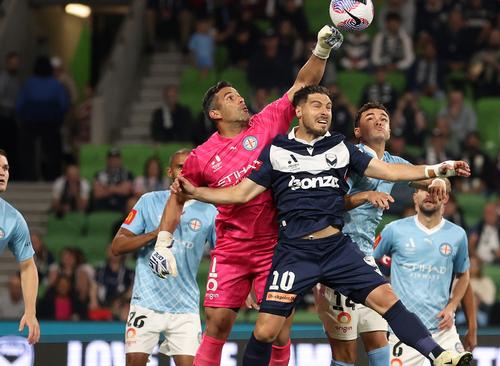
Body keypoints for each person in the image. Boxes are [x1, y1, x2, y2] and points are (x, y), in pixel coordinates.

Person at [171, 86, 473, 366]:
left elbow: (389, 170)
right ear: (299, 112)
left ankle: (439, 355)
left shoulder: (340, 147)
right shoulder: (277, 150)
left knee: (388, 301)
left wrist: (438, 169)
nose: (324, 111)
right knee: (265, 332)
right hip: (295, 252)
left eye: (328, 106)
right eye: (316, 105)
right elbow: (240, 193)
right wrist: (197, 193)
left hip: (337, 249)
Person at [150, 26, 344, 366]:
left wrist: (322, 50)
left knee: (279, 329)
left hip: (275, 243)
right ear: (215, 114)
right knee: (218, 323)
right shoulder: (201, 155)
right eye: (230, 98)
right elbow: (178, 195)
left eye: (239, 95)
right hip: (231, 249)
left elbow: (301, 86)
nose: (240, 99)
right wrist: (163, 242)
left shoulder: (266, 122)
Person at [316, 103, 476, 365]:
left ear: (390, 130)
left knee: (379, 341)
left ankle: (439, 356)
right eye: (370, 117)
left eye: (384, 118)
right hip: (336, 257)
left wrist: (437, 181)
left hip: (365, 261)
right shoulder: (347, 158)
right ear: (358, 130)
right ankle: (438, 355)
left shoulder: (393, 162)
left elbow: (427, 177)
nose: (379, 121)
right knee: (345, 354)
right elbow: (329, 203)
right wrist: (364, 195)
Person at [111, 149, 217, 366]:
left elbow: (223, 253)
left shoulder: (209, 211)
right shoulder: (149, 202)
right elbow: (117, 246)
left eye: (190, 167)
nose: (185, 171)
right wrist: (155, 233)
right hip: (146, 303)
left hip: (185, 306)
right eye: (180, 167)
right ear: (170, 172)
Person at [374, 179, 471, 366]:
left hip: (443, 331)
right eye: (423, 190)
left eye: (435, 191)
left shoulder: (457, 235)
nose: (429, 194)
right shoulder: (394, 230)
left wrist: (452, 306)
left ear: (445, 198)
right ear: (414, 197)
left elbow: (463, 274)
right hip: (402, 333)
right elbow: (371, 263)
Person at [0, 149, 40, 343]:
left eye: (5, 168)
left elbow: (27, 266)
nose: (2, 172)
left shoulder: (13, 219)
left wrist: (30, 311)